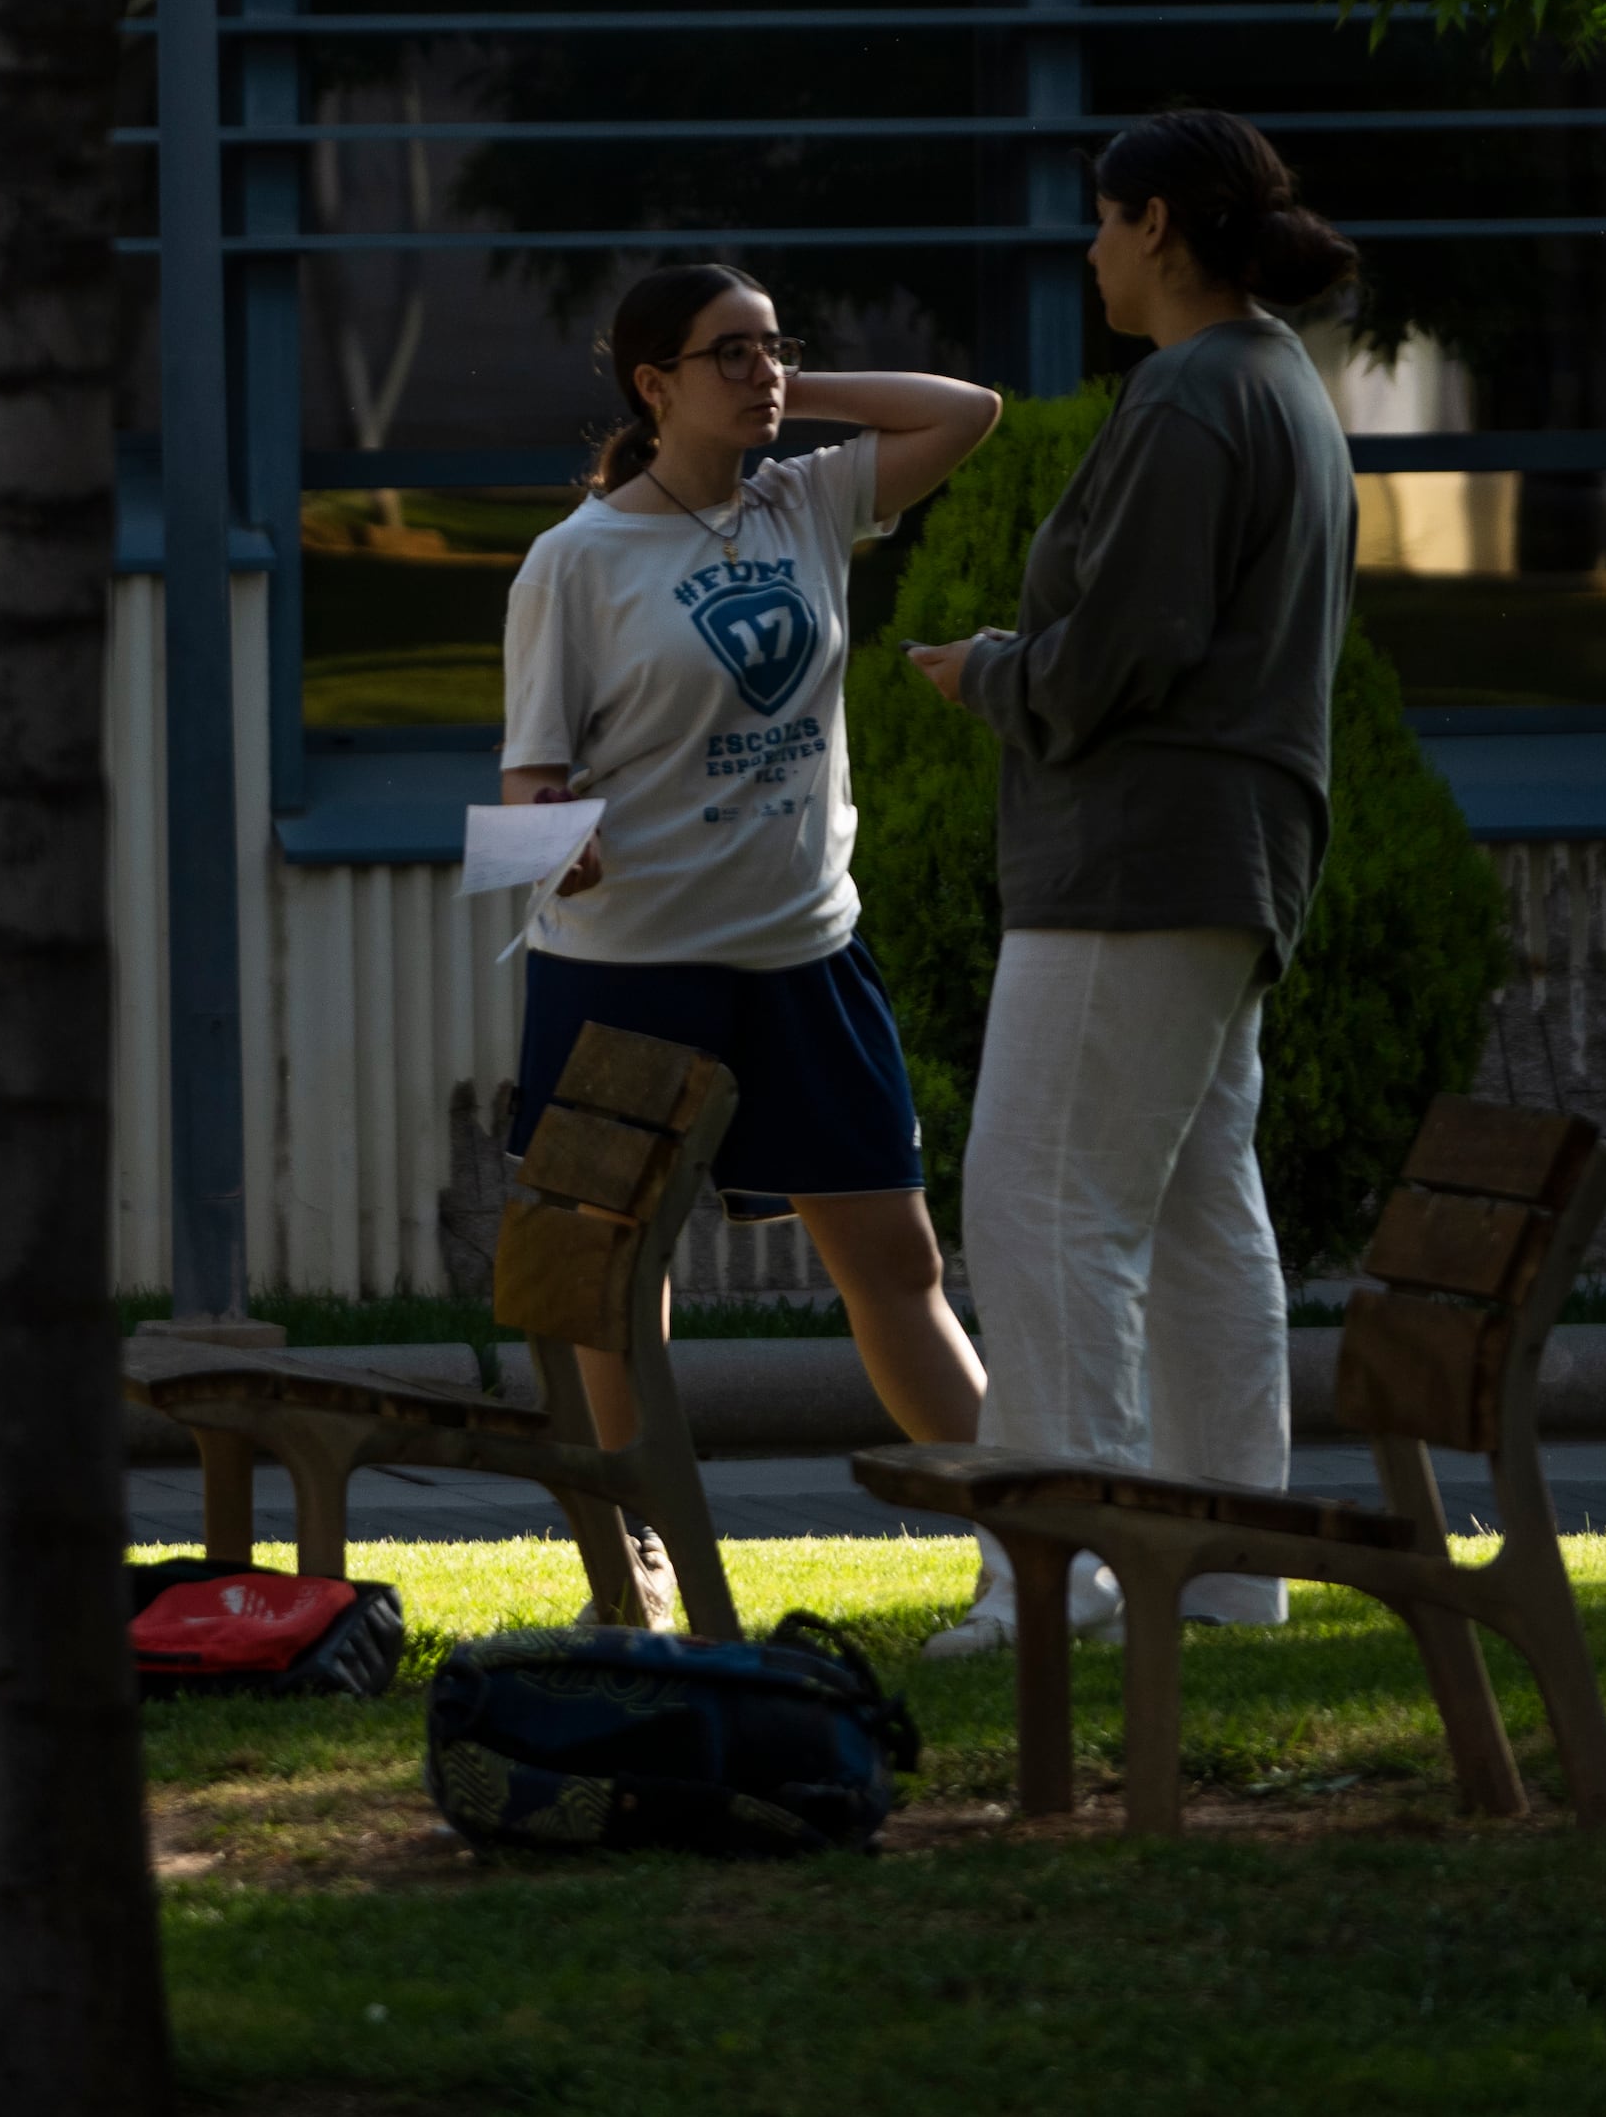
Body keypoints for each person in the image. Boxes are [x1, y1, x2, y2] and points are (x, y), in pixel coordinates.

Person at [903, 108, 1360, 1654]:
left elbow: (1127, 644)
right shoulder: (1279, 383)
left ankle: (1058, 1573)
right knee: (1189, 1212)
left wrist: (994, 675)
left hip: (1136, 860)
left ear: (1158, 223)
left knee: (1039, 1202)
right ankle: (1227, 1573)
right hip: (1229, 856)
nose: (1092, 250)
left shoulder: (1192, 395)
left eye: (1104, 221)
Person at [497, 263, 1009, 1610]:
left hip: (805, 953)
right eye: (729, 356)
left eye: (775, 348)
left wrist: (786, 393)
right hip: (627, 963)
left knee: (897, 1266)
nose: (764, 371)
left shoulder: (808, 498)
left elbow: (969, 410)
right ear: (652, 386)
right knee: (613, 1275)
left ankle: (1030, 1544)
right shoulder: (578, 560)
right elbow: (531, 774)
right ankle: (637, 1552)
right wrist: (561, 827)